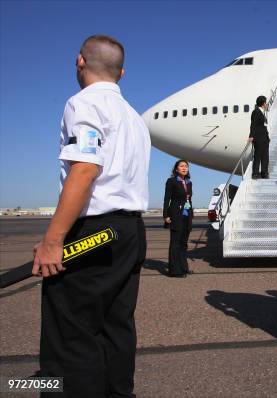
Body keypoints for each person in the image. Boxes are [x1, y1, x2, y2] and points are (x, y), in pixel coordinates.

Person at [32, 35, 150, 397]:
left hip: (94, 231)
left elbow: (85, 169)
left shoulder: (83, 103)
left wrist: (53, 241)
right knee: (116, 325)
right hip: (131, 230)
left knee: (72, 333)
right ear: (122, 73)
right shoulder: (134, 118)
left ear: (79, 61)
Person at [164, 159, 194, 277]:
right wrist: (166, 215)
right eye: (181, 166)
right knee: (175, 243)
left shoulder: (189, 182)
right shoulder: (171, 181)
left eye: (186, 166)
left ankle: (183, 267)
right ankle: (174, 270)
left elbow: (189, 199)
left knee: (184, 243)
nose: (184, 168)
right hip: (176, 214)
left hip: (187, 215)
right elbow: (167, 199)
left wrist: (191, 214)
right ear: (176, 169)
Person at [248, 95, 270, 179]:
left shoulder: (262, 113)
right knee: (257, 155)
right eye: (266, 102)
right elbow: (253, 124)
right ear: (263, 103)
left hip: (265, 138)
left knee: (265, 156)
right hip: (258, 137)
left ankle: (264, 172)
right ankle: (255, 173)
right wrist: (251, 136)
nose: (267, 104)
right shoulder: (256, 112)